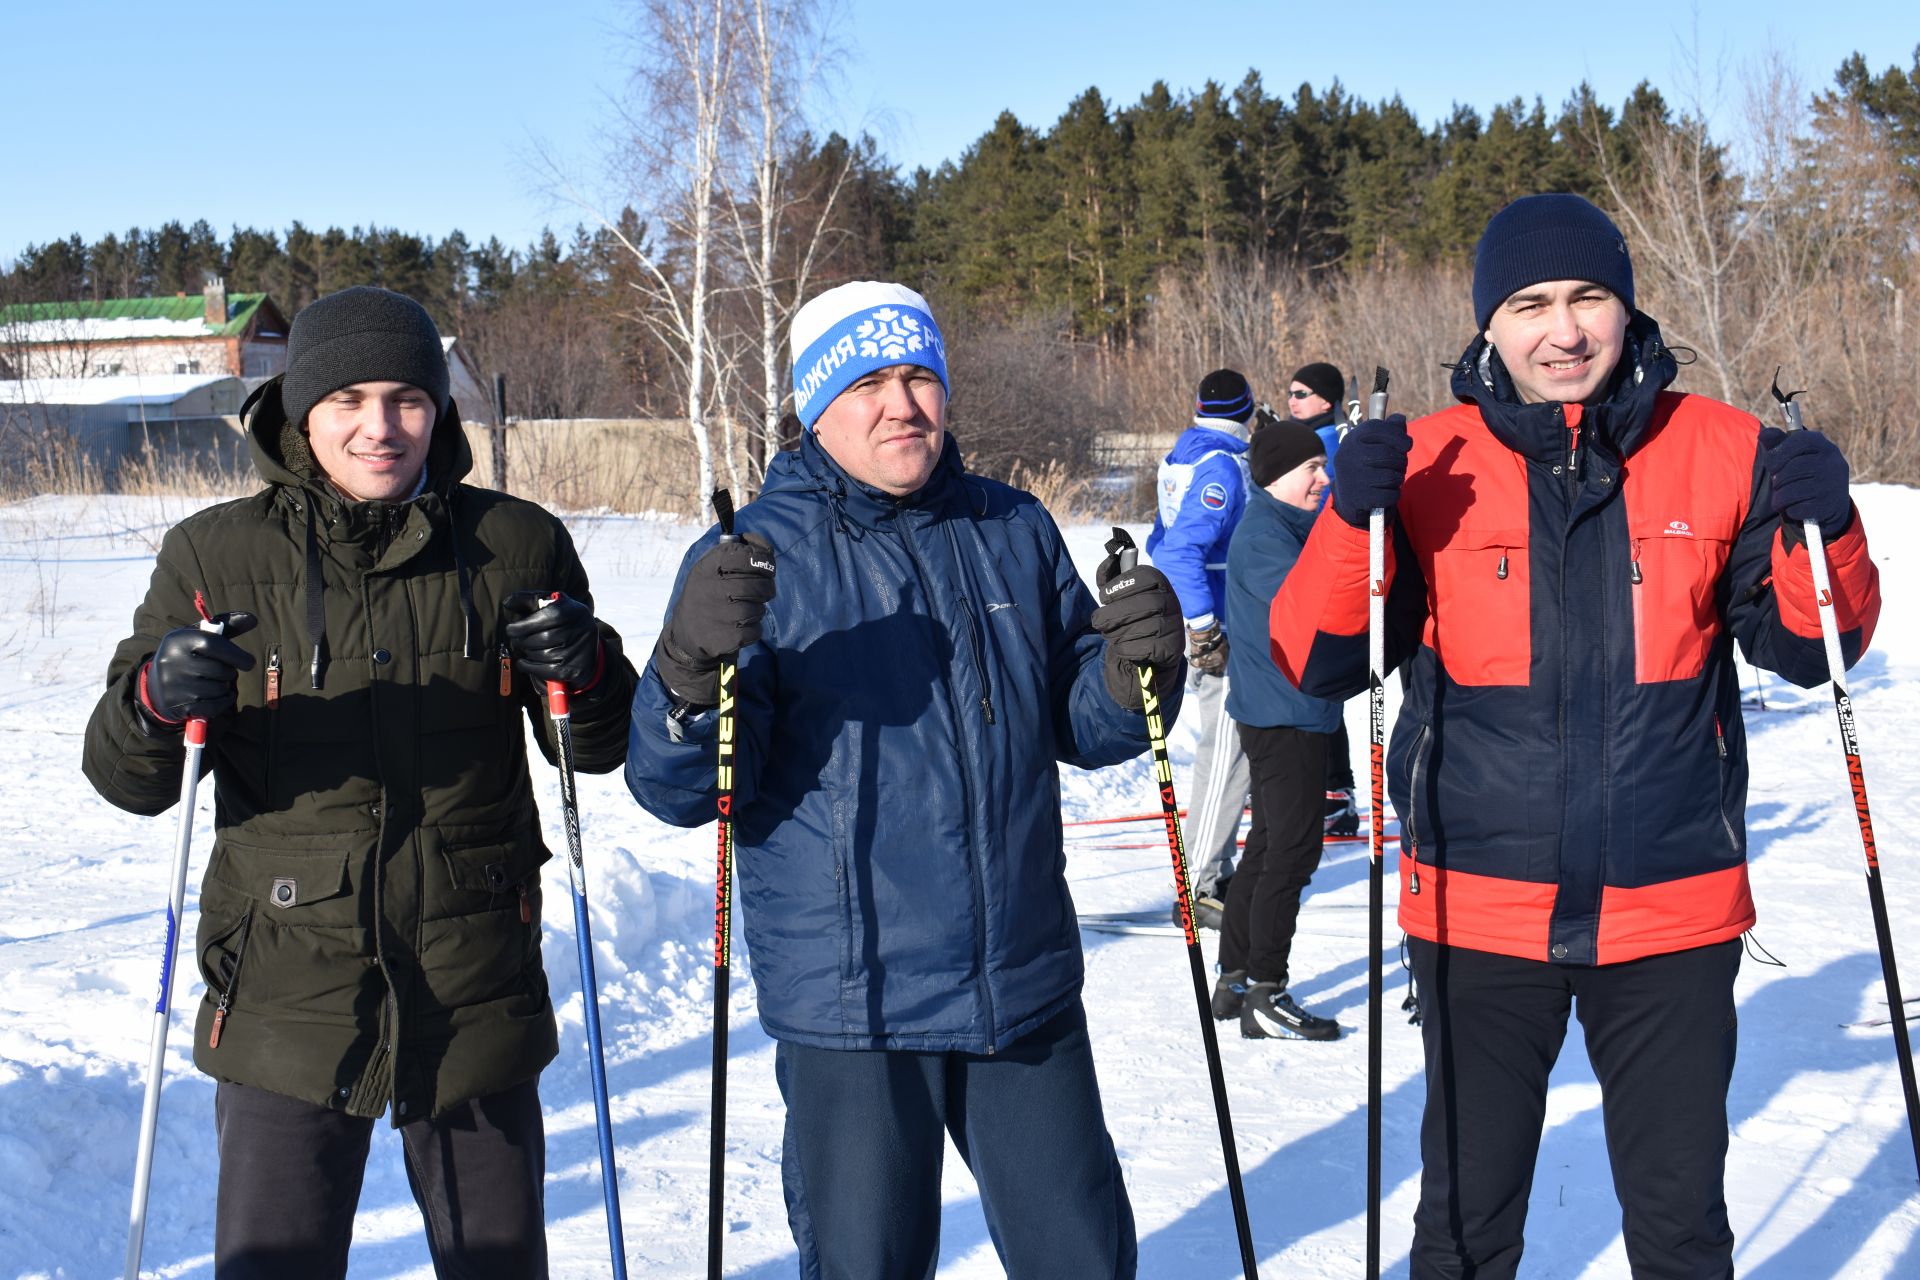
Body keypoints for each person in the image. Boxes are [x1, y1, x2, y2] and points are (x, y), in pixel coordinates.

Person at [1274, 193, 1880, 1279]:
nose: (1564, 329)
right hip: (1477, 911)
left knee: (1682, 1226)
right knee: (1462, 1225)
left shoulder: (1726, 449)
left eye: (1589, 297)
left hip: (1673, 910)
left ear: (1627, 306)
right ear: (1489, 326)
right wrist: (1341, 522)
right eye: (1531, 303)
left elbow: (1812, 648)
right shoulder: (1421, 460)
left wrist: (1827, 526)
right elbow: (1321, 659)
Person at [625, 280, 1184, 1279]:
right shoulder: (755, 558)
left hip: (1023, 979)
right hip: (856, 1006)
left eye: (920, 374)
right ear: (813, 407)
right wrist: (683, 670)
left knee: (1086, 1257)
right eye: (868, 380)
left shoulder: (1012, 526)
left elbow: (1083, 722)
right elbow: (686, 787)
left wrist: (1135, 668)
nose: (902, 402)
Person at [83, 286, 638, 1278]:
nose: (379, 427)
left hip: (474, 986)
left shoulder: (517, 542)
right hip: (285, 999)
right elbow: (129, 778)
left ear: (439, 406)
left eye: (405, 398)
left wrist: (586, 666)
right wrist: (157, 697)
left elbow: (590, 747)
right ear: (301, 410)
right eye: (346, 399)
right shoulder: (215, 554)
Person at [1209, 418, 1344, 1042]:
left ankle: (1235, 976)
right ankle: (1267, 986)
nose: (1323, 478)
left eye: (1323, 466)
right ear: (1274, 476)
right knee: (1291, 851)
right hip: (1285, 713)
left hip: (1289, 709)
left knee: (1267, 846)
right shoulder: (1266, 533)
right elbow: (1312, 604)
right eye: (1311, 469)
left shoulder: (1289, 525)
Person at [1146, 368, 1255, 925]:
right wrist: (1204, 626)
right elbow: (1179, 550)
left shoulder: (1185, 453)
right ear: (1248, 408)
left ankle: (1216, 869)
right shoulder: (1218, 466)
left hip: (1222, 617)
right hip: (1223, 627)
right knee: (1225, 755)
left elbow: (1159, 535)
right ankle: (1197, 884)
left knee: (1236, 753)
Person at [1283, 360, 1361, 837]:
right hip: (1300, 574)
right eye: (1290, 392)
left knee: (1320, 686)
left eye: (1302, 393)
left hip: (1324, 577)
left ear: (1327, 401)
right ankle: (1321, 784)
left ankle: (1336, 790)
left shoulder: (1328, 445)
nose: (1293, 399)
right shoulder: (1309, 443)